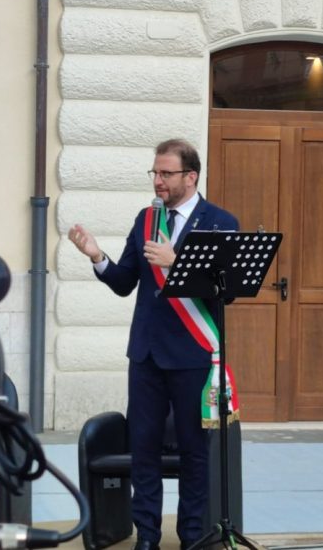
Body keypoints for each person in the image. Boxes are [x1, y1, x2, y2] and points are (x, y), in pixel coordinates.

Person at [68, 138, 239, 550]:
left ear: (190, 176)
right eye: (155, 173)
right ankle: (147, 537)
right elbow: (126, 281)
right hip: (145, 354)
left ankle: (191, 536)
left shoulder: (220, 222)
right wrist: (97, 257)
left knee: (195, 453)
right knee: (142, 450)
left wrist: (176, 262)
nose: (158, 181)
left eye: (166, 174)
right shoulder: (146, 220)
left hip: (193, 355)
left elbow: (227, 292)